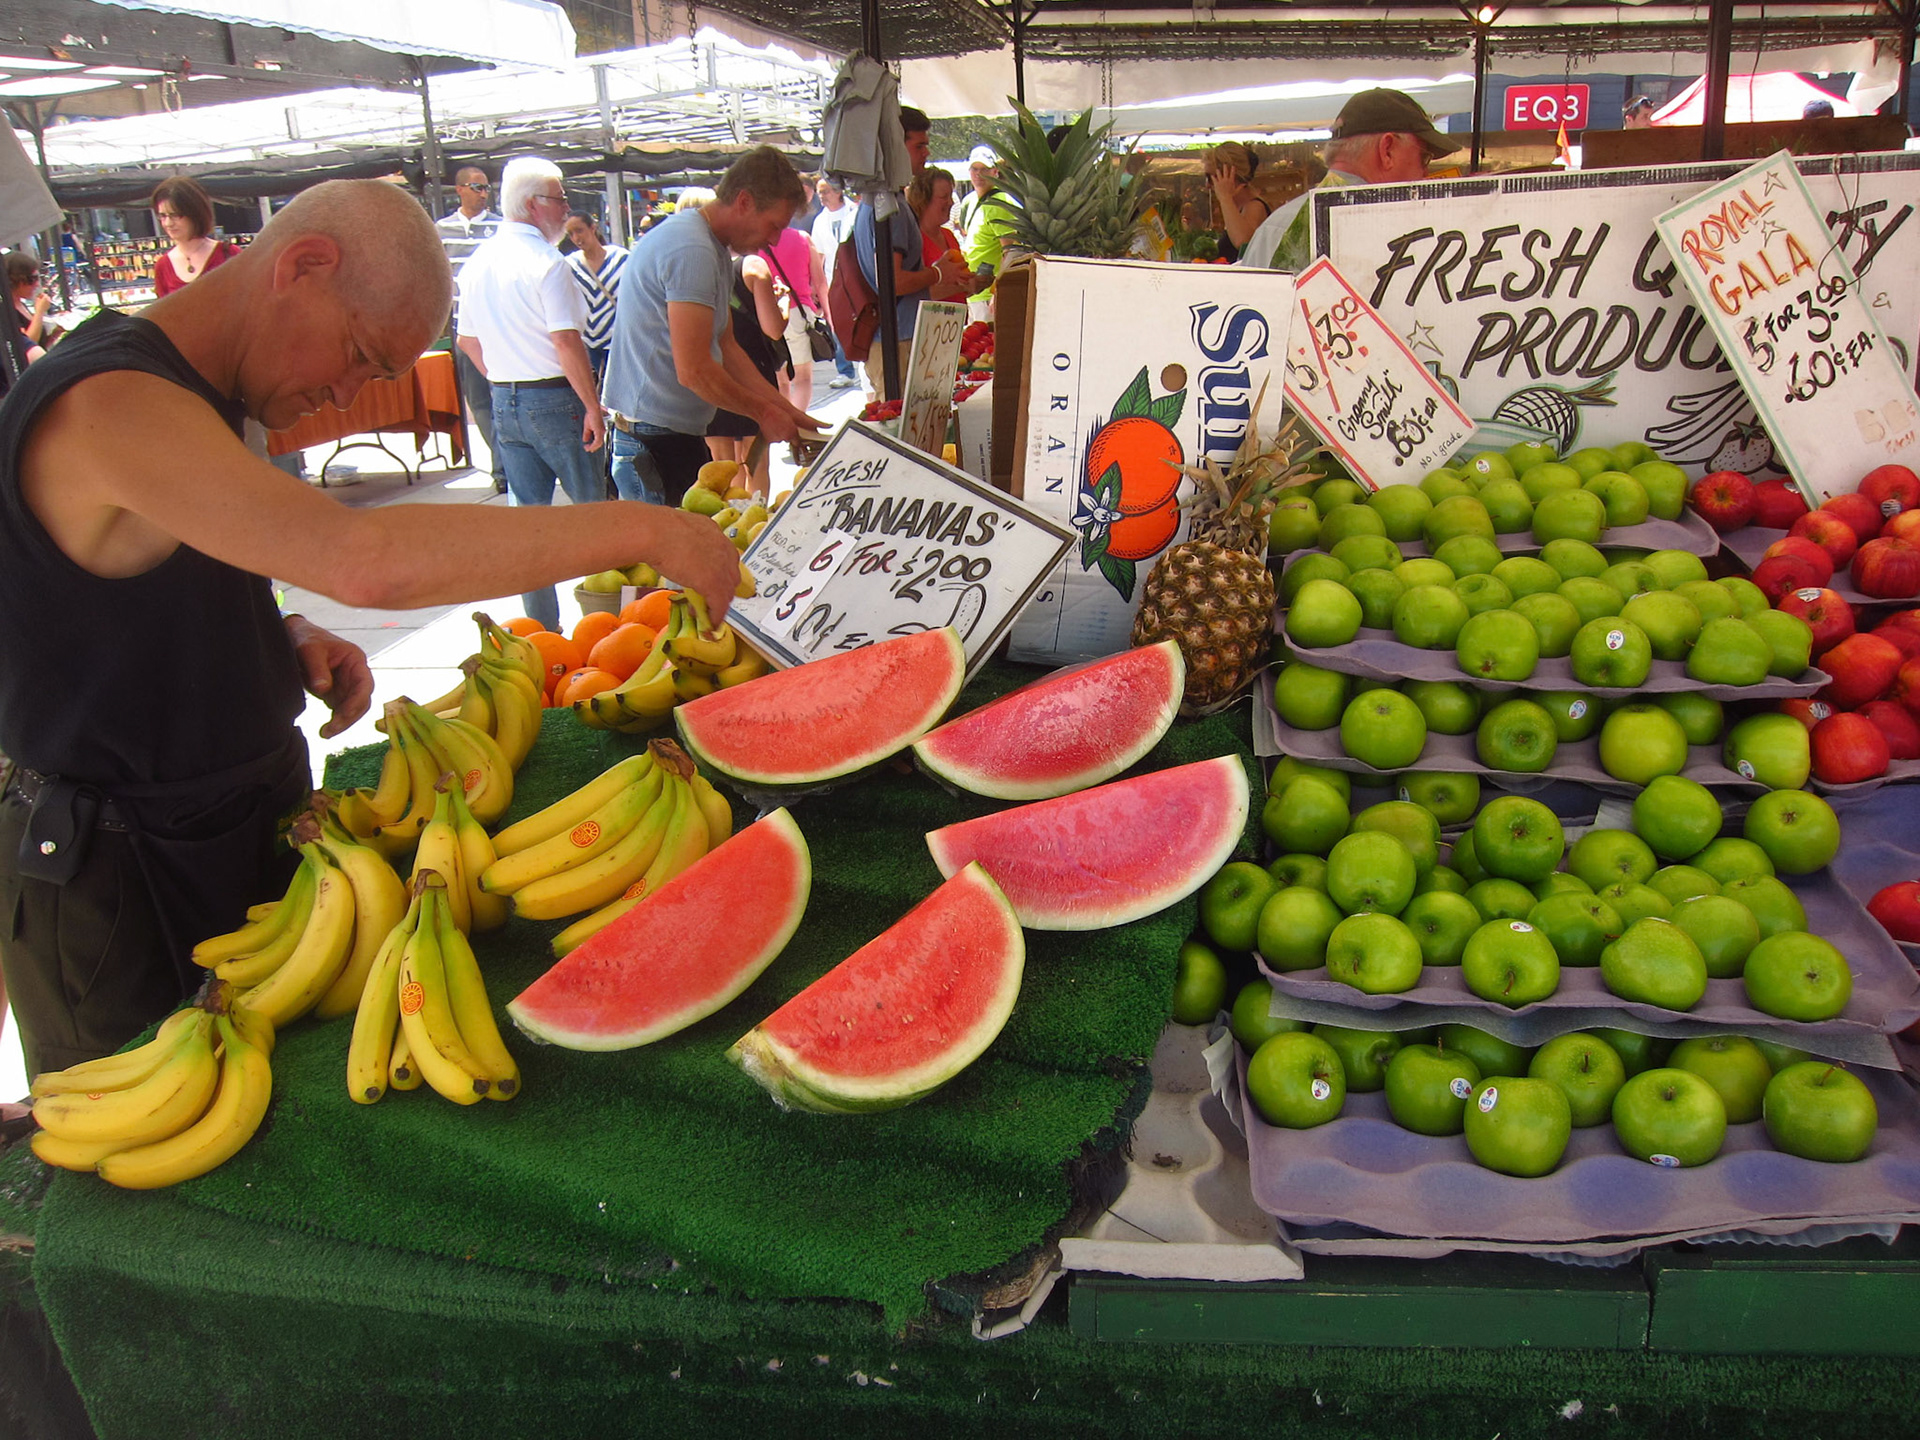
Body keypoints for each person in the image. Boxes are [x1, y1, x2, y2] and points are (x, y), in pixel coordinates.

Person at [0, 178, 739, 1077]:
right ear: (304, 266)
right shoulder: (109, 399)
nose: (348, 393)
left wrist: (277, 628)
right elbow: (365, 558)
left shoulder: (206, 390)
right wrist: (647, 527)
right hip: (117, 876)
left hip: (234, 826)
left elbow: (130, 577)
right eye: (357, 354)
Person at [601, 147, 823, 508]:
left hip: (668, 435)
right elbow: (695, 370)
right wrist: (765, 413)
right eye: (774, 226)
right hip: (652, 442)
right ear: (744, 201)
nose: (774, 241)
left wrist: (785, 410)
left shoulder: (712, 246)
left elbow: (727, 346)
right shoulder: (692, 248)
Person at [456, 157, 608, 633]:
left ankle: (545, 630)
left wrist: (508, 378)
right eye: (558, 199)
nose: (565, 209)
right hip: (554, 397)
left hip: (508, 398)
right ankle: (605, 626)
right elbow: (566, 341)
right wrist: (591, 407)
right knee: (595, 520)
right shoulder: (547, 263)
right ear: (531, 205)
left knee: (529, 526)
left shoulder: (479, 262)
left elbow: (468, 341)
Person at [1238, 88, 1457, 273]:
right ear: (1387, 150)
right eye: (1424, 158)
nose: (1425, 174)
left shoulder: (1275, 226)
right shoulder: (1405, 238)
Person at [852, 108, 968, 385]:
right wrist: (938, 273)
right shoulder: (889, 207)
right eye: (919, 146)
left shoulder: (879, 201)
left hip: (897, 339)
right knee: (899, 423)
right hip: (898, 342)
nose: (926, 153)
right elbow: (893, 281)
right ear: (894, 145)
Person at [438, 165, 506, 493]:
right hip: (462, 329)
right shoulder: (441, 231)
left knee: (504, 395)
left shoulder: (501, 229)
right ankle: (502, 466)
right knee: (479, 402)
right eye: (476, 187)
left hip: (497, 327)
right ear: (459, 190)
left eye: (486, 188)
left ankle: (507, 467)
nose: (483, 193)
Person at [706, 251, 788, 499]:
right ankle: (756, 525)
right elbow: (773, 330)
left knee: (721, 466)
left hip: (713, 373)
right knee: (757, 463)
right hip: (755, 373)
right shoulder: (753, 267)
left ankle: (727, 527)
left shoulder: (697, 268)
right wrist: (783, 302)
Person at [758, 221, 826, 413]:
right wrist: (828, 314)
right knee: (802, 378)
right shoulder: (803, 238)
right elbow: (820, 283)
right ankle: (798, 424)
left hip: (769, 312)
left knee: (781, 380)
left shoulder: (757, 241)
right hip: (799, 312)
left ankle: (786, 424)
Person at [562, 210, 629, 384]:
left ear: (593, 228)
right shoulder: (570, 265)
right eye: (571, 234)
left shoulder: (621, 259)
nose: (576, 238)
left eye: (579, 230)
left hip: (618, 340)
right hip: (587, 341)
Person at [150, 177, 241, 297]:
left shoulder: (229, 254)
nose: (168, 223)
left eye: (175, 215)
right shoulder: (163, 266)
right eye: (162, 216)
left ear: (195, 213)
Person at [808, 179, 859, 388]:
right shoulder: (820, 220)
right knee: (836, 325)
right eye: (819, 192)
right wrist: (814, 284)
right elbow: (818, 255)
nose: (822, 196)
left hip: (855, 279)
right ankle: (845, 370)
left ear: (838, 192)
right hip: (832, 281)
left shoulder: (853, 212)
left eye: (826, 191)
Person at [1204, 141, 1272, 264]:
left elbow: (1243, 242)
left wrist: (1225, 198)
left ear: (1230, 174)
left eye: (1210, 177)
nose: (1207, 185)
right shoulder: (1238, 207)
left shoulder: (1254, 206)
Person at [909, 169, 970, 303]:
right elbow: (918, 294)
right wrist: (965, 287)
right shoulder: (913, 240)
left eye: (951, 197)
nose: (951, 203)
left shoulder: (948, 235)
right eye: (944, 197)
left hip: (955, 321)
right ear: (923, 200)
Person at [952, 146, 1002, 246]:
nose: (978, 174)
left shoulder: (1002, 203)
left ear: (995, 171)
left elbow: (1010, 251)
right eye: (974, 169)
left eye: (984, 169)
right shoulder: (969, 201)